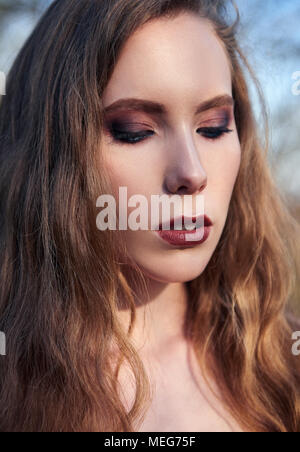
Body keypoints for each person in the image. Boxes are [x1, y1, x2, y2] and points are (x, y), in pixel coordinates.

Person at [0, 0, 299, 433]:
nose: (192, 173)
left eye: (213, 126)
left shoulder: (281, 368)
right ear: (51, 156)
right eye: (134, 131)